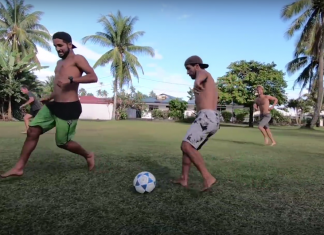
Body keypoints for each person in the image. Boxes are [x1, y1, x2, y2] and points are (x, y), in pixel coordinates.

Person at [1, 32, 98, 178]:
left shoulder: (78, 59)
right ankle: (19, 168)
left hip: (69, 108)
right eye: (55, 46)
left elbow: (93, 77)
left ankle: (88, 155)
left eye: (60, 45)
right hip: (54, 105)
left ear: (69, 45)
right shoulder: (59, 63)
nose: (58, 49)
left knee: (62, 143)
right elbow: (59, 86)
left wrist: (71, 80)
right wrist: (50, 96)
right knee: (32, 131)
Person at [172, 55, 220, 191]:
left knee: (186, 146)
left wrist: (197, 81)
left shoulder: (203, 73)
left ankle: (208, 177)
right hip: (210, 118)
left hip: (206, 116)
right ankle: (184, 179)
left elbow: (202, 74)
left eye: (188, 68)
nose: (187, 72)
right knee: (188, 148)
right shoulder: (207, 80)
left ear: (197, 66)